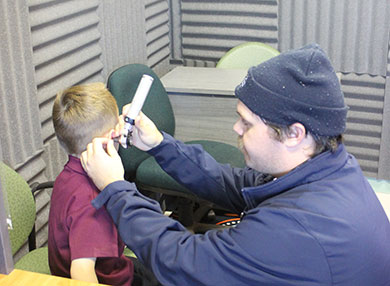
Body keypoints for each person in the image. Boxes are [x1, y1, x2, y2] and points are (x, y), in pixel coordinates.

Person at [81, 44, 390, 285]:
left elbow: (183, 262)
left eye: (247, 123)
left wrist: (115, 189)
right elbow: (234, 183)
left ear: (295, 133)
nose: (236, 129)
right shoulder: (330, 167)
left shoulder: (294, 231)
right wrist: (160, 145)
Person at [49, 82, 159, 286]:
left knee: (154, 268)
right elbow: (81, 271)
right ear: (109, 139)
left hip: (107, 264)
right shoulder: (94, 200)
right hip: (110, 279)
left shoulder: (68, 175)